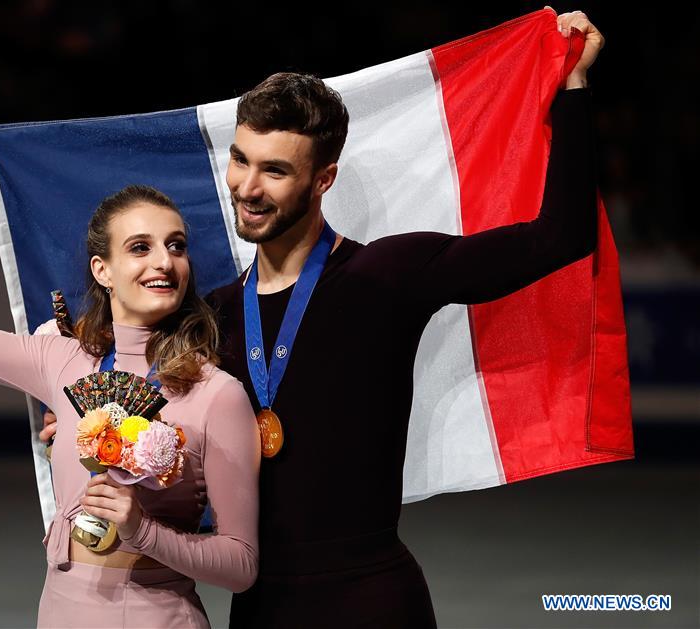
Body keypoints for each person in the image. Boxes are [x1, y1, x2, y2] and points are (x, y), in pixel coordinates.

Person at [40, 8, 604, 626]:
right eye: (241, 160)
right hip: (259, 606)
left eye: (276, 170)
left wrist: (571, 86)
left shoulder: (389, 276)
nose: (248, 187)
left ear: (323, 179)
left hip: (371, 600)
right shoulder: (213, 316)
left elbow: (561, 237)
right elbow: (150, 430)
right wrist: (77, 426)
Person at [0, 124, 261, 628]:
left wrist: (141, 529)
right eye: (140, 247)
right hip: (59, 610)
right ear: (102, 270)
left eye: (175, 245)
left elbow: (241, 566)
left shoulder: (216, 394)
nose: (164, 261)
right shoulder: (62, 360)